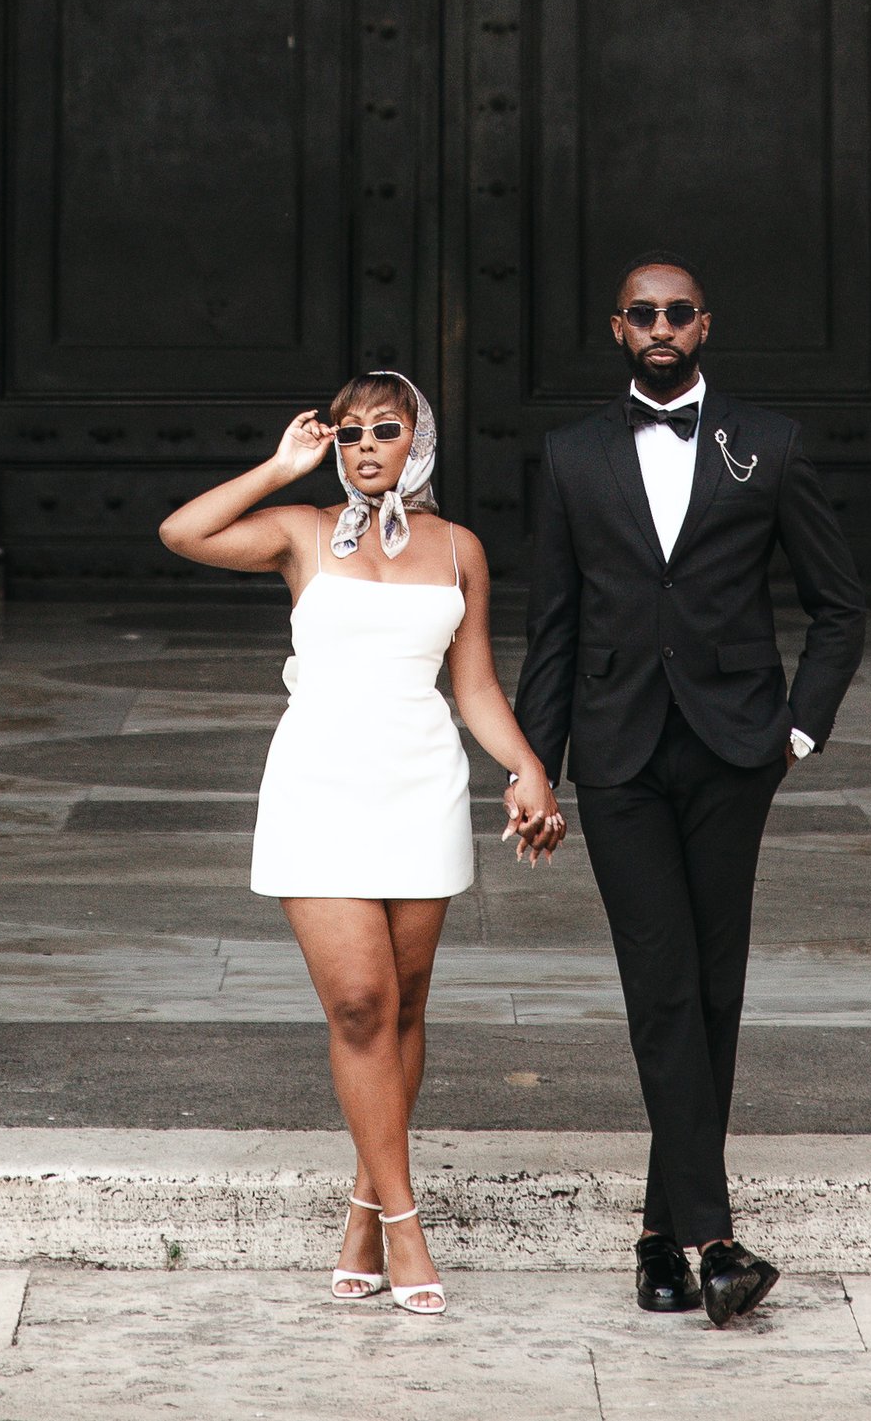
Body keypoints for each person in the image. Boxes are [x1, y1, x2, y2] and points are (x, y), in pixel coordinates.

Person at [159, 372, 563, 1318]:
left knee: (405, 1005)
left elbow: (474, 688)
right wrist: (280, 463)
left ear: (421, 437)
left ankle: (361, 1209)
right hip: (320, 785)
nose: (367, 445)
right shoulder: (299, 531)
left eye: (387, 428)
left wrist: (528, 767)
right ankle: (406, 1224)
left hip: (421, 784)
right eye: (349, 432)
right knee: (358, 1002)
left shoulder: (459, 549)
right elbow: (182, 532)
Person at [513, 259, 867, 1328]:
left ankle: (659, 1237)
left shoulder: (771, 442)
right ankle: (715, 1241)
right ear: (616, 328)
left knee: (713, 990)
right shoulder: (571, 457)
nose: (660, 326)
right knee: (661, 983)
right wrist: (537, 765)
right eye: (641, 313)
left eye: (677, 312)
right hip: (617, 755)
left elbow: (839, 605)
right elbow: (554, 627)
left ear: (703, 322)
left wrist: (797, 727)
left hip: (731, 751)